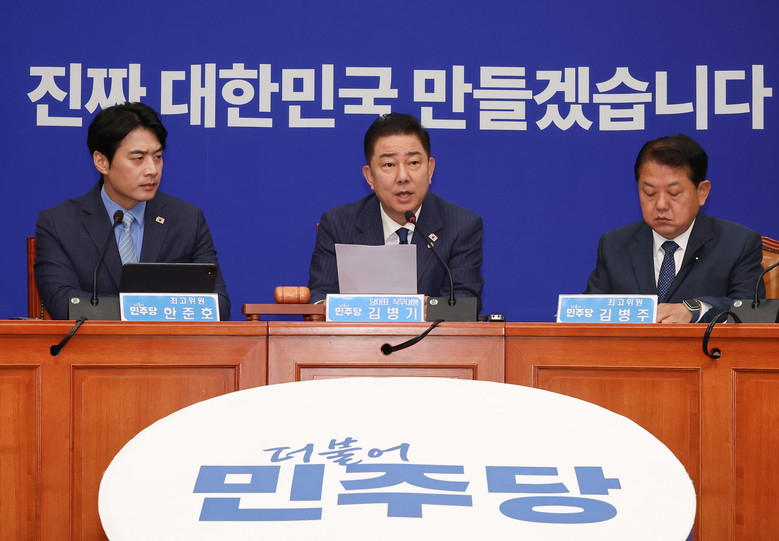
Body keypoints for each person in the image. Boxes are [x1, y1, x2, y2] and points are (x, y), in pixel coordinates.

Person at [34, 102, 230, 320]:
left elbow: (218, 304)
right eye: (138, 158)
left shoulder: (187, 220)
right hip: (97, 344)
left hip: (169, 343)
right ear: (102, 162)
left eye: (157, 157)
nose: (152, 170)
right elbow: (63, 304)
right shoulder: (59, 224)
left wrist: (132, 312)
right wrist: (149, 311)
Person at [308, 112, 484, 309]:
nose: (403, 177)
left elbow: (464, 302)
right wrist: (327, 308)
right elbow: (319, 295)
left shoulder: (461, 226)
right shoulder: (338, 225)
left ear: (430, 169)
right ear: (370, 177)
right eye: (389, 164)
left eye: (413, 163)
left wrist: (428, 310)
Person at [584, 134, 764, 323]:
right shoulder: (614, 245)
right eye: (649, 193)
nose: (661, 205)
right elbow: (590, 313)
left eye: (674, 193)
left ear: (702, 192)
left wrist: (696, 309)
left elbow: (752, 309)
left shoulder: (738, 244)